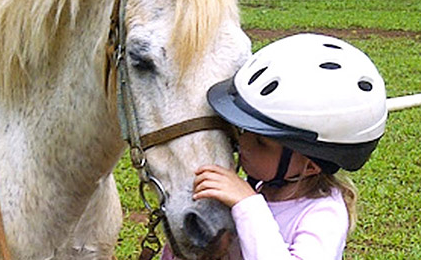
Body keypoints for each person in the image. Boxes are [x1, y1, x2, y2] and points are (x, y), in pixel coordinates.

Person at [161, 33, 388, 260]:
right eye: (244, 131)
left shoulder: (323, 215)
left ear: (310, 166)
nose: (243, 143)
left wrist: (247, 204)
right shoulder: (259, 187)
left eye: (261, 141)